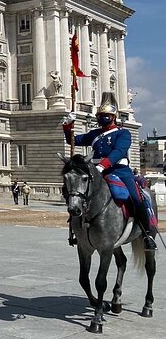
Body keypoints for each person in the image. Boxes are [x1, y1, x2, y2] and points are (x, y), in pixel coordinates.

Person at [62, 91, 157, 250]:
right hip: (97, 173)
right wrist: (67, 125)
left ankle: (147, 234)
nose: (102, 117)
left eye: (106, 114)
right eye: (100, 115)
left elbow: (118, 152)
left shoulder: (123, 133)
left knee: (136, 198)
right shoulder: (94, 134)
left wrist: (103, 165)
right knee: (77, 196)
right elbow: (72, 140)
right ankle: (77, 232)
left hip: (119, 171)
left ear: (113, 116)